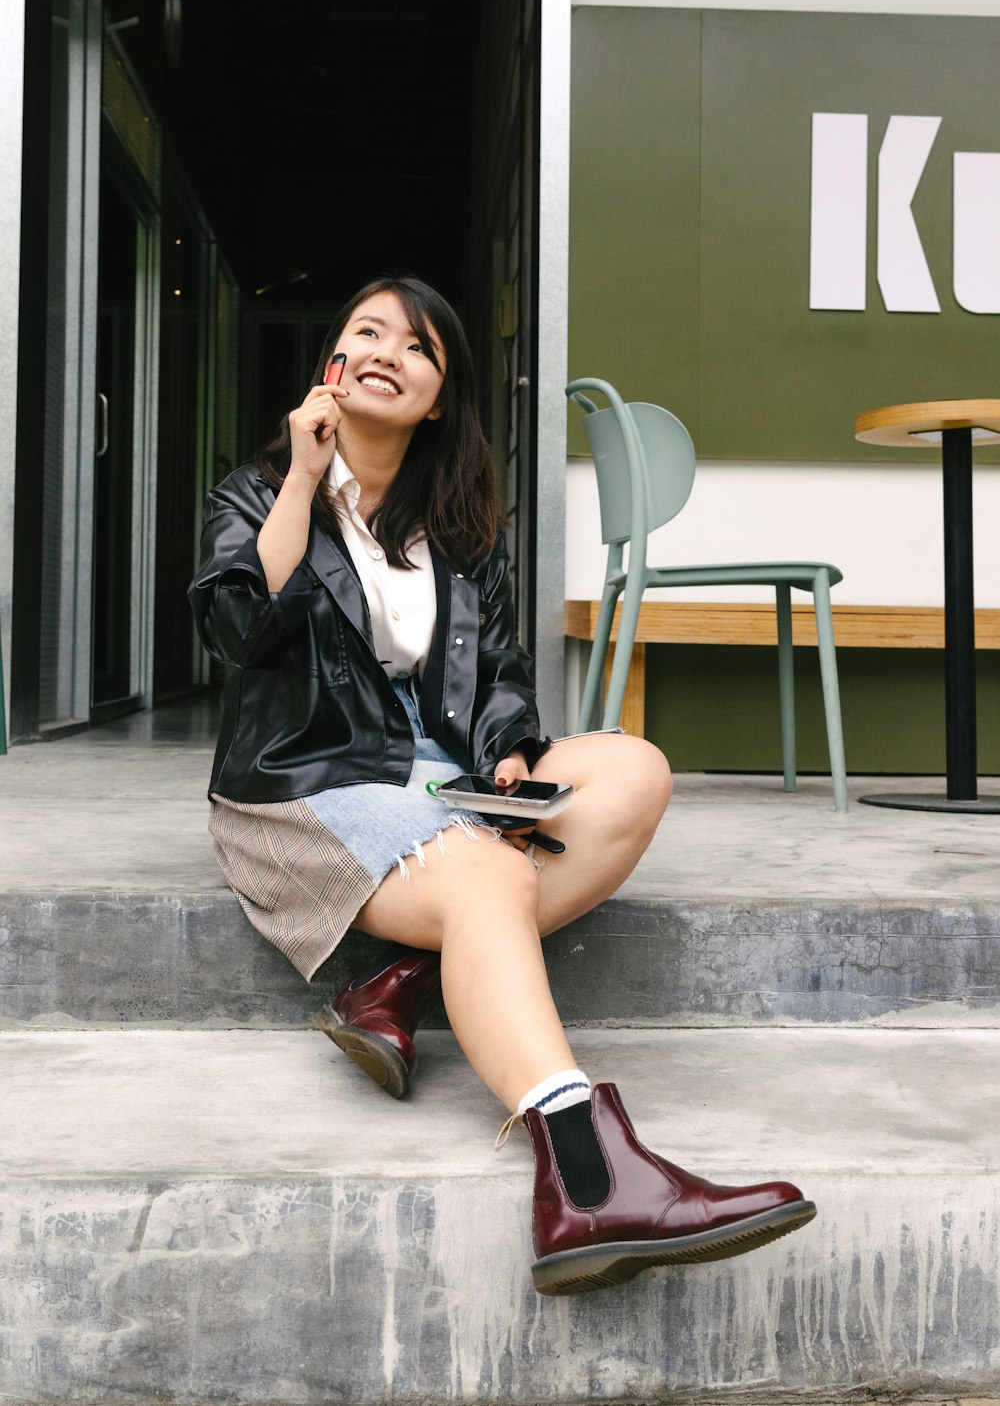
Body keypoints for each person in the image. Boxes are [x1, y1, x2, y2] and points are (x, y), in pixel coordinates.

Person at [189, 274, 816, 1296]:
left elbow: (499, 683)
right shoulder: (256, 496)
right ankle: (584, 1176)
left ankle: (398, 980)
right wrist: (302, 483)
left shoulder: (463, 534)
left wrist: (511, 754)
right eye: (367, 333)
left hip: (440, 787)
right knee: (489, 880)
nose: (390, 351)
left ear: (438, 396)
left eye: (420, 346)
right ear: (331, 368)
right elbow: (238, 630)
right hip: (303, 785)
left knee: (628, 772)